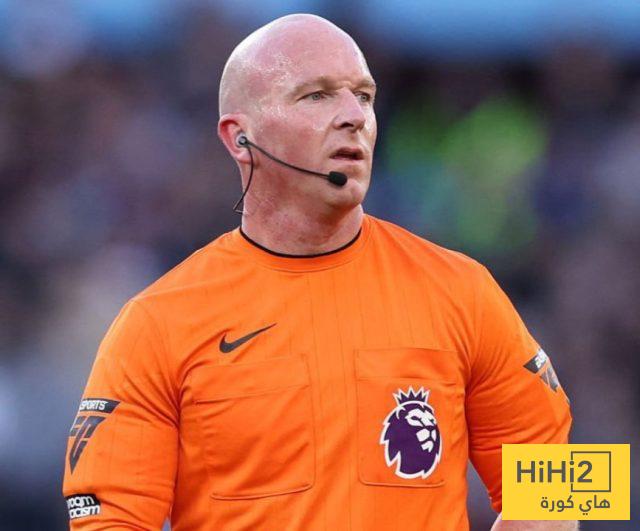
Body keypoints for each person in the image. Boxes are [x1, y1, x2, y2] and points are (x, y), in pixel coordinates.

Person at [63, 14, 576, 531]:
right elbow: (109, 519)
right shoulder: (158, 323)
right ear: (240, 139)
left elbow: (563, 485)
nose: (354, 116)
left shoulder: (462, 292)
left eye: (365, 97)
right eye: (316, 96)